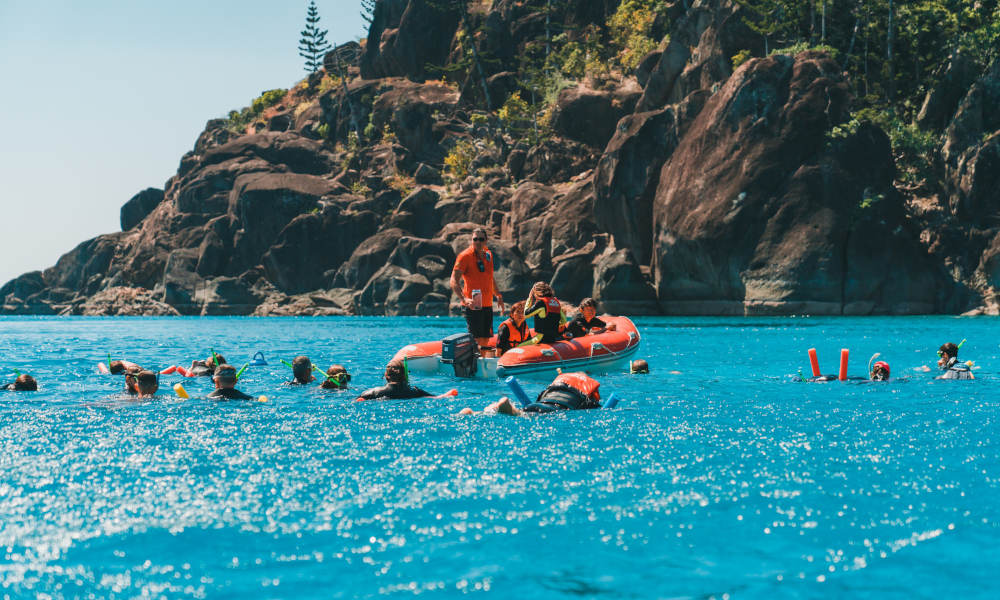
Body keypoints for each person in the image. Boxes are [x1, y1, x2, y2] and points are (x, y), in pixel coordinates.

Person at [451, 227, 504, 356]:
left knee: (485, 338)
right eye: (475, 239)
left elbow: (489, 278)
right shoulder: (465, 256)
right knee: (475, 339)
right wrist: (464, 299)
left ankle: (482, 364)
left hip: (487, 304)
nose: (478, 242)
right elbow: (453, 280)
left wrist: (498, 294)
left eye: (481, 239)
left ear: (486, 240)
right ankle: (473, 362)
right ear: (472, 240)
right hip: (472, 305)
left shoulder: (488, 255)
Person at [459, 372, 603, 415]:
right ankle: (509, 410)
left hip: (539, 404)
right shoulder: (586, 392)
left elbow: (540, 397)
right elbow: (595, 407)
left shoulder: (557, 383)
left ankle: (480, 412)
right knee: (523, 416)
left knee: (527, 410)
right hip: (553, 409)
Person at [356, 360, 435, 401]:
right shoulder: (416, 392)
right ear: (405, 375)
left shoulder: (373, 393)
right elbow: (437, 397)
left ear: (386, 375)